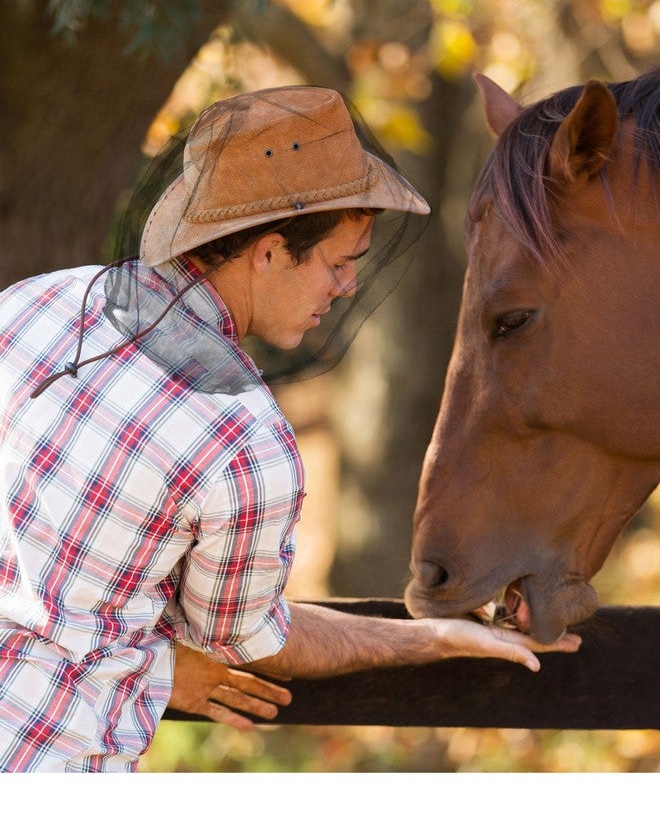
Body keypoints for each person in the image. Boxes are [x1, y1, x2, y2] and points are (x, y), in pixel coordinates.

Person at [0, 85, 580, 772]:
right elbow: (247, 641)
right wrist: (436, 638)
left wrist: (148, 664)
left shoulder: (37, 301)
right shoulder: (243, 440)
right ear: (271, 253)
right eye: (339, 262)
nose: (347, 287)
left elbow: (51, 599)